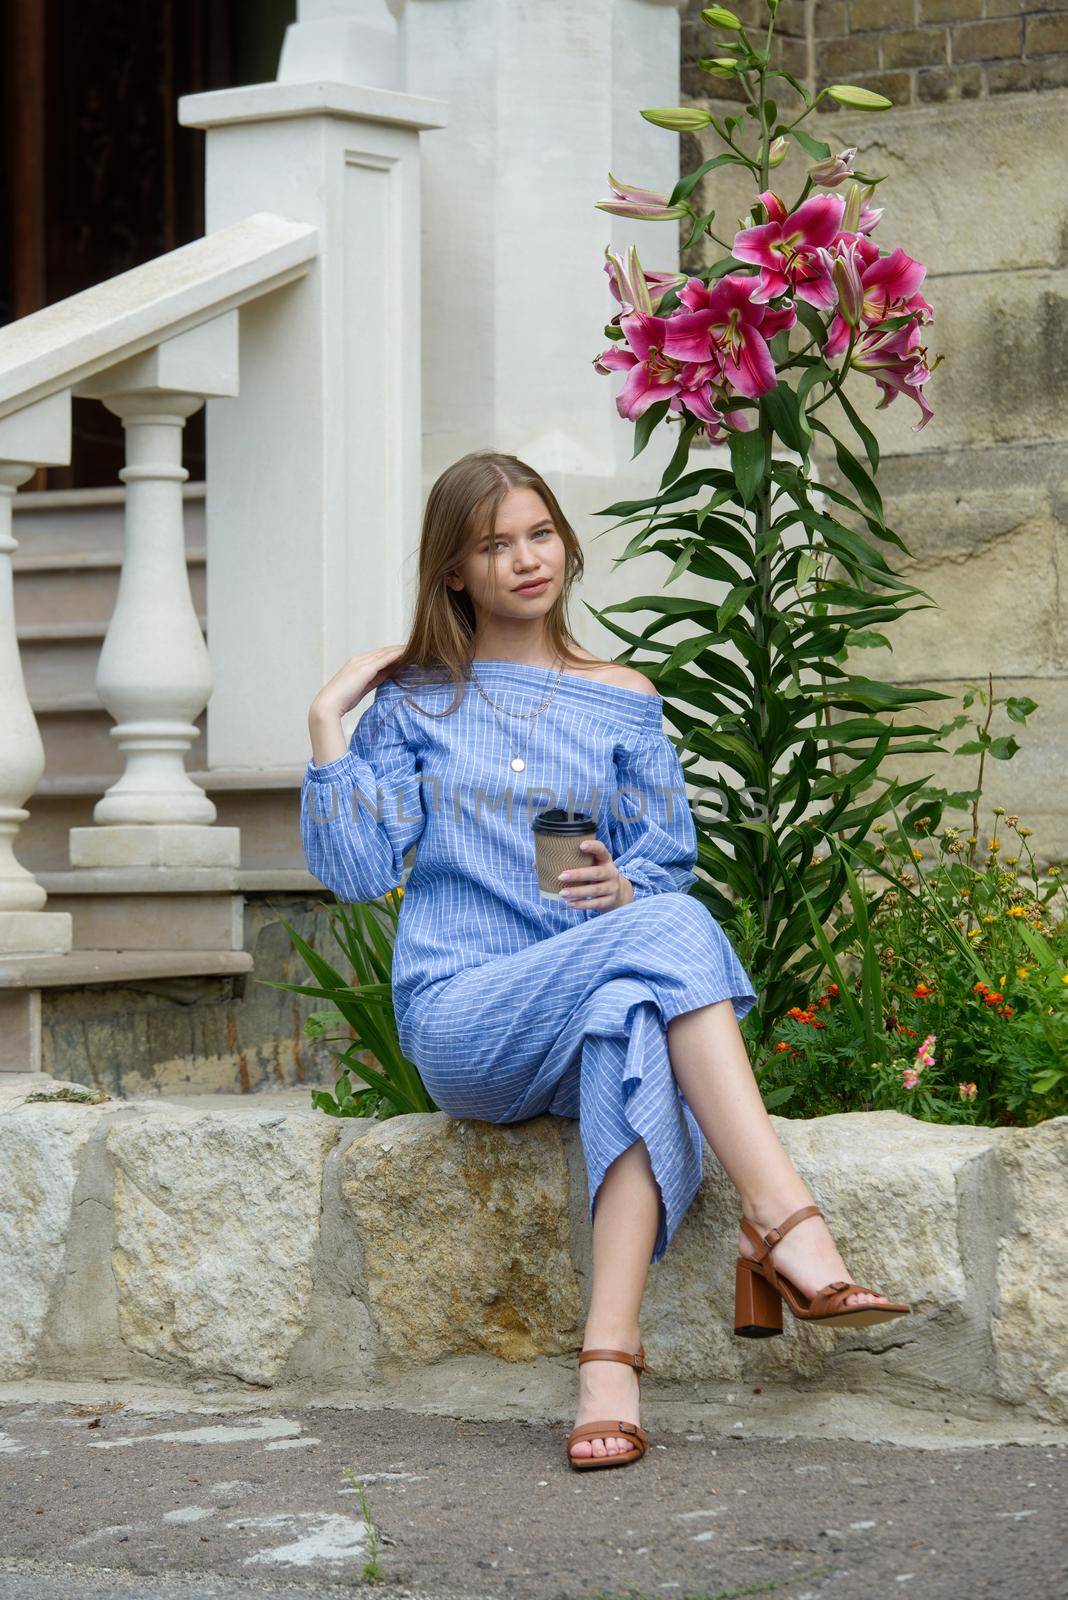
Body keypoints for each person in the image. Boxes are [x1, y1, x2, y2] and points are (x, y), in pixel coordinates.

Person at [301, 449, 911, 1473]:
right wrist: (330, 727)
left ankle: (607, 1365)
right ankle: (785, 1219)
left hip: (585, 994)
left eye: (540, 532)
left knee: (633, 1012)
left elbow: (665, 858)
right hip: (465, 1015)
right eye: (494, 544)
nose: (526, 559)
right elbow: (360, 871)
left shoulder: (622, 697)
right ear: (454, 572)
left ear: (564, 543)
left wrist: (627, 888)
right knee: (666, 946)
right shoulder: (417, 703)